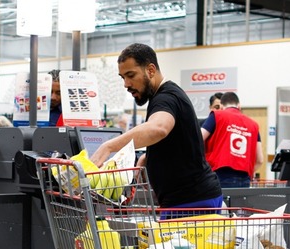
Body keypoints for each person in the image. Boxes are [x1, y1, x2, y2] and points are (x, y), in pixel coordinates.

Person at [89, 43, 222, 213]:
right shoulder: (165, 96)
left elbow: (158, 128)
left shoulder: (165, 98)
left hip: (189, 202)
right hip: (190, 198)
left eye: (131, 75)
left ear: (150, 70)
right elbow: (175, 140)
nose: (126, 84)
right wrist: (149, 156)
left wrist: (108, 147)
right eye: (122, 77)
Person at [200, 91, 263, 188]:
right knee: (239, 203)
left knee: (221, 203)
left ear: (221, 106)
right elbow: (260, 160)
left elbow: (197, 138)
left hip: (219, 176)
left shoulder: (217, 116)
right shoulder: (254, 125)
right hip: (244, 179)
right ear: (239, 106)